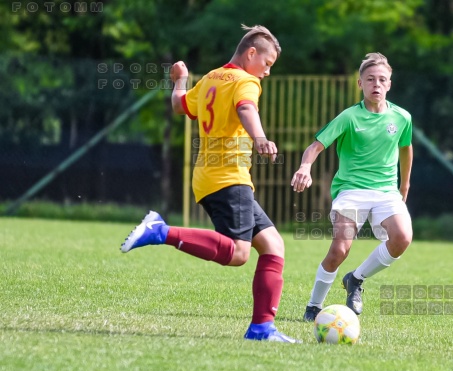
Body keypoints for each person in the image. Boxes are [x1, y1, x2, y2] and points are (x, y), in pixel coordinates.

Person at [120, 25, 299, 343]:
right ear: (251, 53)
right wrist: (259, 137)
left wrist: (180, 81)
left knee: (273, 246)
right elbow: (246, 108)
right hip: (228, 178)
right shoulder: (247, 81)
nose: (267, 72)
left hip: (211, 177)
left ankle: (261, 329)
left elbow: (179, 106)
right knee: (239, 254)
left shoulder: (212, 78)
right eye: (267, 64)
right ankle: (160, 231)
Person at [291, 52, 414, 321]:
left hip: (386, 191)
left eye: (382, 79)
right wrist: (304, 167)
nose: (376, 84)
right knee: (339, 250)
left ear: (390, 84)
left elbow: (406, 149)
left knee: (402, 238)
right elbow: (316, 146)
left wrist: (404, 184)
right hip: (351, 190)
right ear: (360, 84)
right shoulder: (348, 117)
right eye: (370, 79)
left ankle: (356, 279)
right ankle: (314, 305)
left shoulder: (402, 117)